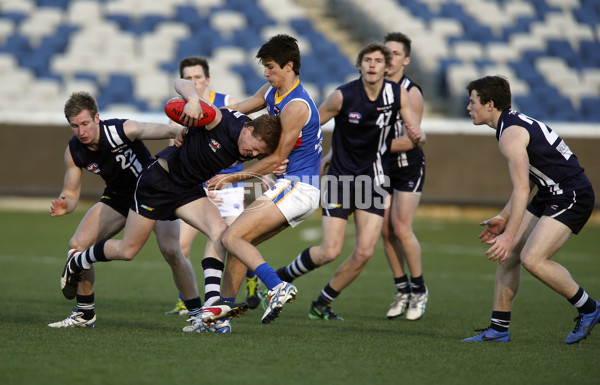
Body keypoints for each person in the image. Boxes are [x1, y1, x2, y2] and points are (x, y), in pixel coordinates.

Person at [59, 83, 282, 333]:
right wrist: (194, 100)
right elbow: (182, 85)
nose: (251, 153)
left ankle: (208, 310)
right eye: (253, 148)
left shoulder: (253, 141)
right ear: (249, 129)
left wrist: (276, 165)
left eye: (258, 153)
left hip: (188, 190)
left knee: (219, 233)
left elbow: (263, 145)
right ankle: (79, 260)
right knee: (127, 250)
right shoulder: (217, 119)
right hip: (158, 185)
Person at [275, 42, 424, 321]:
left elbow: (415, 130)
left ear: (386, 67)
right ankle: (280, 277)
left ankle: (321, 303)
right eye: (367, 60)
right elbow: (308, 124)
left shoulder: (397, 94)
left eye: (378, 61)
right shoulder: (342, 96)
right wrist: (292, 156)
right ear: (359, 65)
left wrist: (418, 136)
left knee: (365, 252)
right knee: (329, 251)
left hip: (374, 181)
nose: (372, 65)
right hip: (339, 180)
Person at [184, 34, 323, 325]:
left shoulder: (296, 105)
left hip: (298, 186)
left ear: (289, 66)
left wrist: (230, 178)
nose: (266, 72)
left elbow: (275, 160)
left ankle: (277, 286)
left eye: (271, 67)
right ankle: (220, 318)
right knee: (239, 246)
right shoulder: (272, 91)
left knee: (231, 236)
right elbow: (236, 110)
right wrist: (202, 120)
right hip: (294, 187)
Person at [462, 75, 599, 344]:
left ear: (490, 104)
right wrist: (504, 217)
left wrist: (509, 235)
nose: (468, 107)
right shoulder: (511, 124)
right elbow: (530, 183)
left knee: (532, 258)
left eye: (472, 102)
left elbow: (522, 189)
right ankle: (498, 330)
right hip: (551, 192)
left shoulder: (510, 135)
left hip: (570, 194)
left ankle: (590, 308)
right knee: (509, 256)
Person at [48, 91, 187, 328]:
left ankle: (196, 311)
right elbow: (71, 194)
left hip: (153, 191)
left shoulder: (119, 130)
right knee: (77, 246)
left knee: (172, 251)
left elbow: (152, 129)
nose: (81, 131)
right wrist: (65, 205)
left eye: (85, 123)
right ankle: (84, 314)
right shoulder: (74, 152)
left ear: (97, 118)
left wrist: (177, 131)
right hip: (119, 198)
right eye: (74, 126)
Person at [164, 56, 263, 316]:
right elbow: (177, 132)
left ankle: (241, 284)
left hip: (228, 185)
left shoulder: (228, 103)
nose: (194, 82)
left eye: (198, 77)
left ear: (207, 79)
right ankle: (189, 298)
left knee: (233, 240)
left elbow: (254, 134)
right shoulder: (185, 106)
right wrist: (178, 132)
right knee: (180, 246)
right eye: (189, 78)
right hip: (197, 184)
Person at [381, 32, 428, 321]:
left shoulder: (411, 92)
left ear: (405, 60)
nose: (389, 58)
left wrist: (370, 145)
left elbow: (410, 141)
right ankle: (402, 289)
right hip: (382, 167)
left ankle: (419, 290)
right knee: (384, 230)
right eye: (386, 53)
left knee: (400, 227)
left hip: (408, 166)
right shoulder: (373, 88)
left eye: (395, 53)